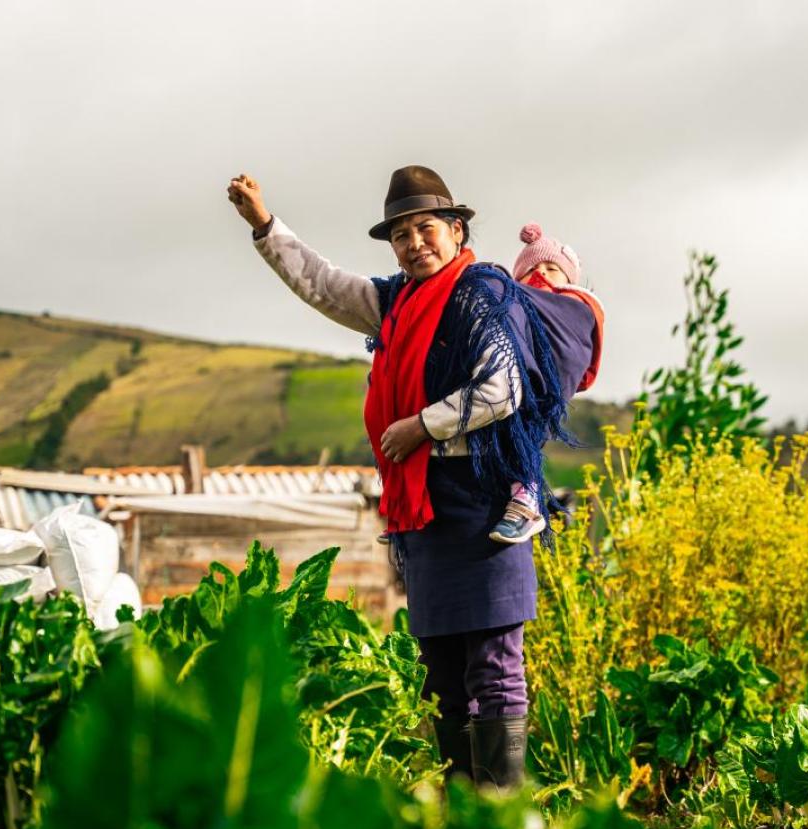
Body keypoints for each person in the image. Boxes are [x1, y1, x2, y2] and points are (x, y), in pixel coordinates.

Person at [226, 166, 598, 790]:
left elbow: (501, 389)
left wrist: (420, 427)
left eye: (426, 227)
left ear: (456, 231)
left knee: (495, 665)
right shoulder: (396, 301)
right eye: (400, 234)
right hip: (425, 508)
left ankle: (500, 814)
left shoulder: (484, 295)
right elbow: (322, 283)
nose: (414, 243)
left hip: (485, 503)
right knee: (441, 668)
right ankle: (462, 816)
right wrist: (265, 225)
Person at [490, 223, 605, 544]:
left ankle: (526, 500)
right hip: (514, 382)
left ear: (571, 279)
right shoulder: (514, 306)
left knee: (522, 436)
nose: (541, 274)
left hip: (545, 387)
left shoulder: (576, 305)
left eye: (552, 268)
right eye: (531, 270)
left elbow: (572, 349)